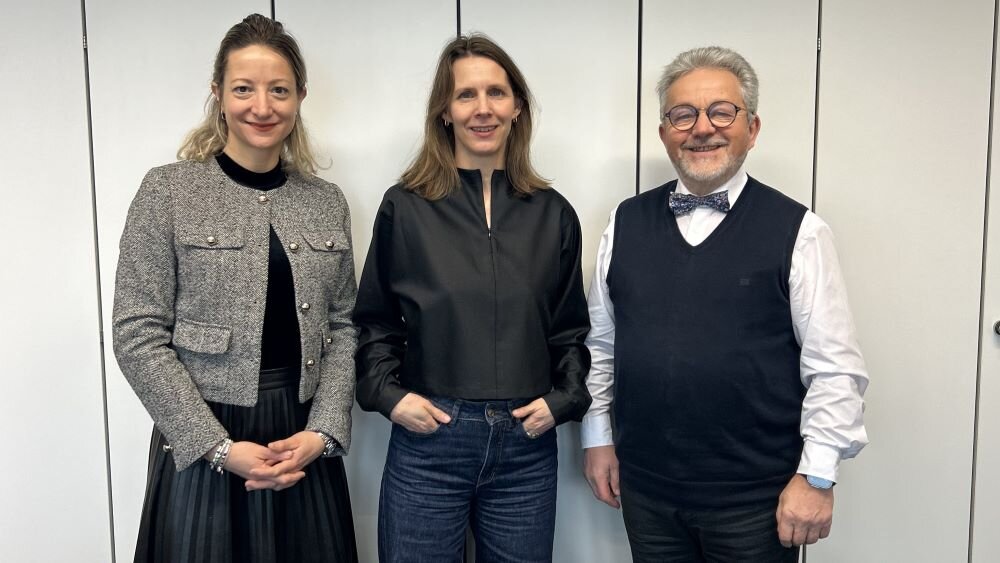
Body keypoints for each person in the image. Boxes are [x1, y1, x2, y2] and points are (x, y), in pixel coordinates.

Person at [581, 46, 869, 562]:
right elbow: (603, 345)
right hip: (646, 493)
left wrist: (817, 476)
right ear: (665, 131)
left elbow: (835, 369)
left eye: (721, 111)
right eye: (683, 114)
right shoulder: (624, 222)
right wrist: (597, 436)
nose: (702, 128)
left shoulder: (799, 231)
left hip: (757, 501)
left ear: (752, 128)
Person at [112, 14, 358, 563]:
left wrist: (324, 430)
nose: (262, 106)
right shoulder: (168, 191)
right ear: (218, 94)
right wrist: (219, 448)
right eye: (244, 88)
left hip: (301, 441)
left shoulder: (325, 200)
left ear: (299, 97)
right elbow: (137, 334)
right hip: (204, 437)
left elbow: (344, 326)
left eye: (279, 90)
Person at [353, 33, 591, 563]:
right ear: (444, 110)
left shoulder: (553, 214)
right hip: (429, 442)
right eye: (465, 95)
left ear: (517, 106)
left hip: (526, 447)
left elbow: (569, 329)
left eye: (496, 93)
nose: (482, 109)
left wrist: (564, 400)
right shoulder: (406, 208)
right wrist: (391, 398)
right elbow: (373, 321)